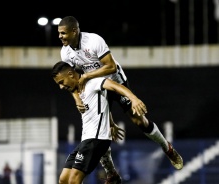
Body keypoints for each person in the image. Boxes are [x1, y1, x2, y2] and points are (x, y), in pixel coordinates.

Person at [57, 15, 184, 175]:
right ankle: (111, 174)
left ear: (74, 31)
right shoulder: (66, 53)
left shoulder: (94, 41)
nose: (60, 36)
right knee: (99, 129)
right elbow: (72, 80)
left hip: (114, 81)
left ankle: (167, 148)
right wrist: (77, 98)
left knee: (139, 121)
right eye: (59, 33)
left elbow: (110, 67)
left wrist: (88, 76)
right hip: (96, 88)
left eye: (63, 33)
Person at [52, 61, 147, 184]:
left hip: (95, 140)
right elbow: (102, 105)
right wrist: (111, 123)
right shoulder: (78, 91)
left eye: (61, 82)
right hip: (86, 140)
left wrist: (134, 99)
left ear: (70, 74)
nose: (61, 87)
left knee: (74, 181)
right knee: (63, 179)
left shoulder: (92, 82)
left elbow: (116, 86)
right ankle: (114, 177)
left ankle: (113, 175)